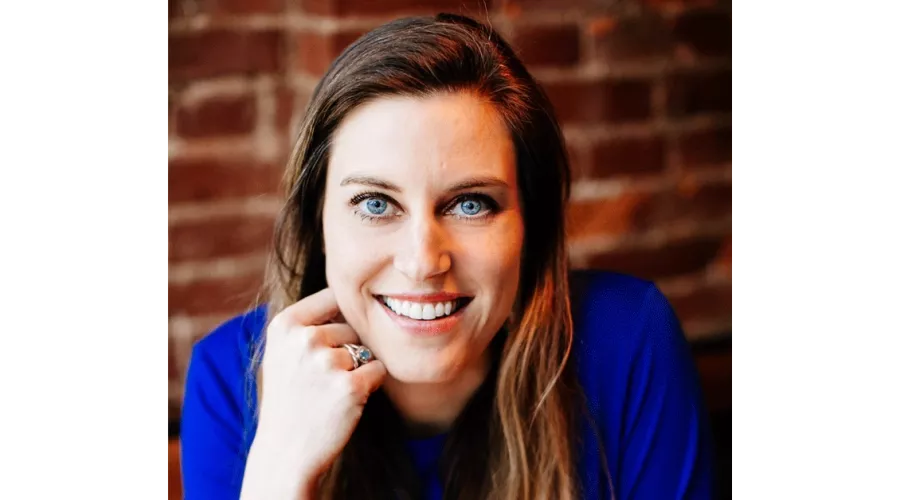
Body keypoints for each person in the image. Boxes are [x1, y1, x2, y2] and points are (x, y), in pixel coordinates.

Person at [178, 12, 716, 500]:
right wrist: (280, 470)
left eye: (470, 204)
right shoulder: (229, 380)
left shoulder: (625, 340)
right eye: (375, 203)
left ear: (529, 224)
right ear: (317, 221)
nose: (422, 262)